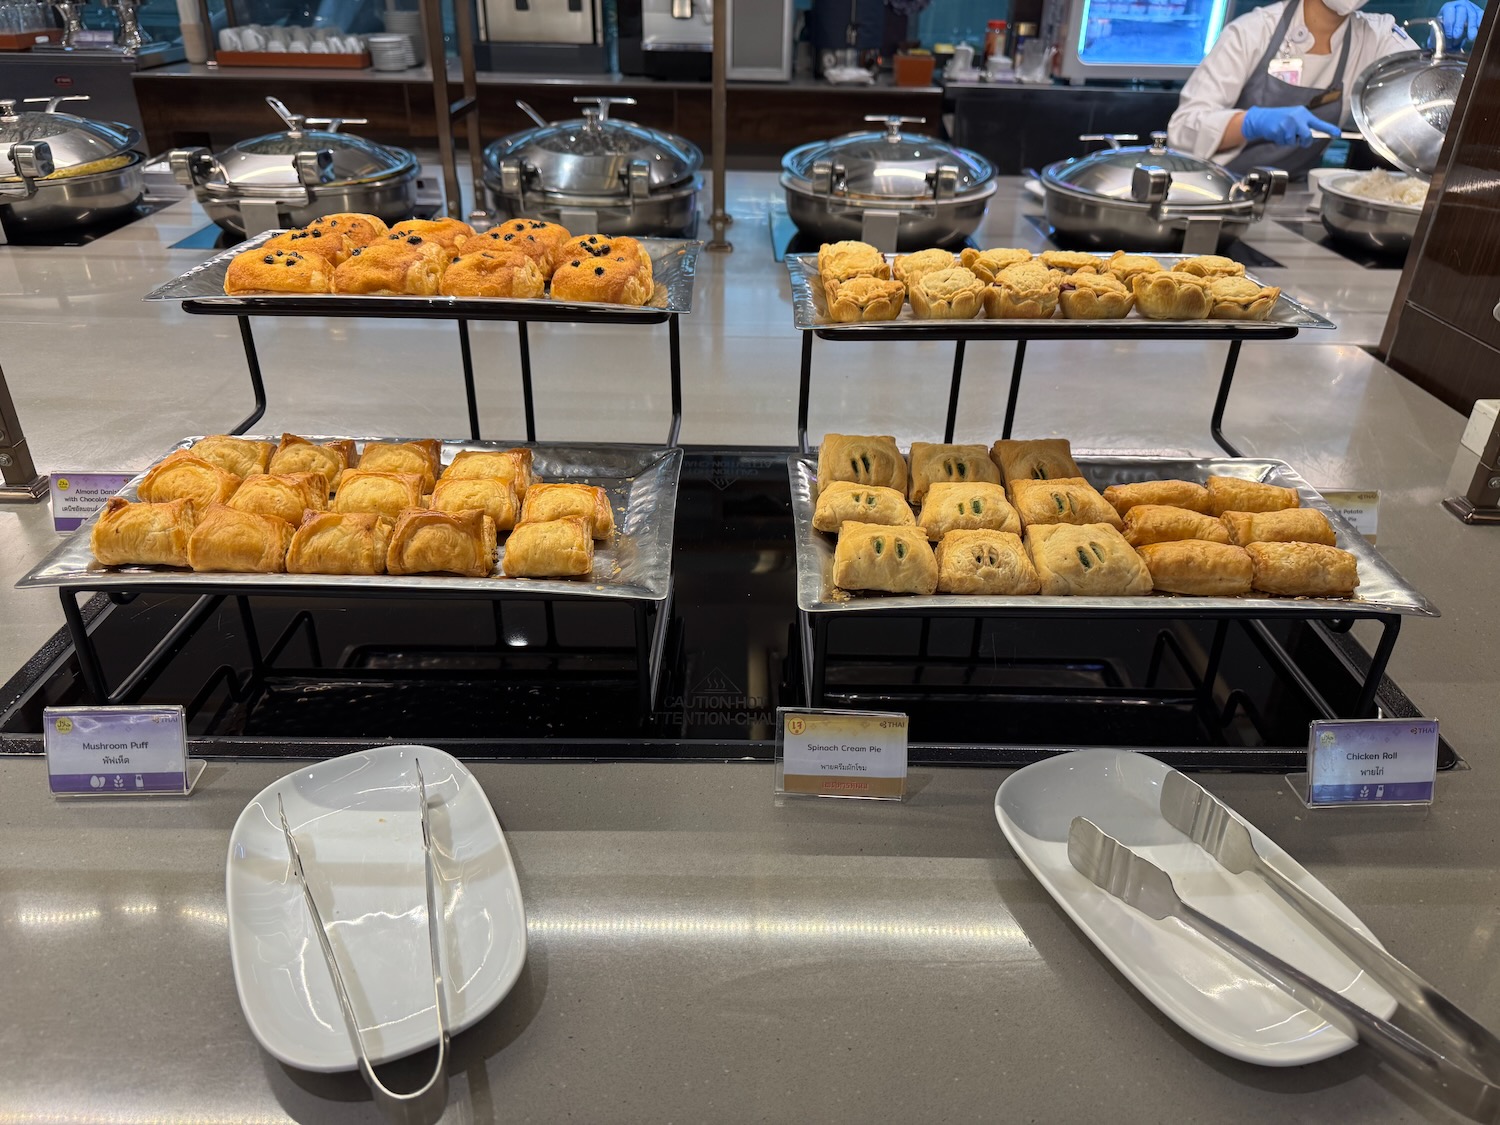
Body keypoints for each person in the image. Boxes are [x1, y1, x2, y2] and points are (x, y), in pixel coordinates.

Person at [1167, 0, 1484, 175]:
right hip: (1214, 190)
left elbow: (1424, 95)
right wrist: (1251, 122)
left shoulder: (1375, 35)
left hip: (1291, 197)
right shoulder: (1252, 31)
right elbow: (1182, 129)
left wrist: (1444, 49)